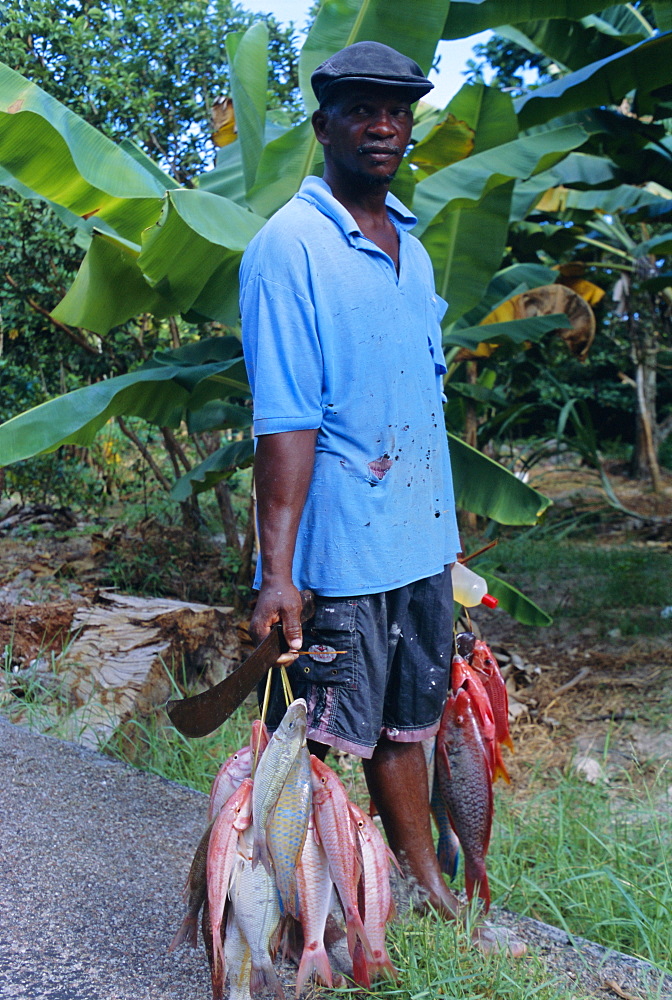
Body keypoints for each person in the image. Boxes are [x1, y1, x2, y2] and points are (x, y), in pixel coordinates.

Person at [239, 40, 524, 956]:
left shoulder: (412, 248)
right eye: (361, 108)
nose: (382, 125)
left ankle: (423, 885)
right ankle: (293, 919)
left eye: (397, 110)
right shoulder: (290, 246)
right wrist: (275, 574)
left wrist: (447, 538)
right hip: (341, 552)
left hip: (415, 541)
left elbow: (420, 401)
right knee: (317, 736)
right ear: (323, 124)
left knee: (411, 723)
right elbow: (285, 423)